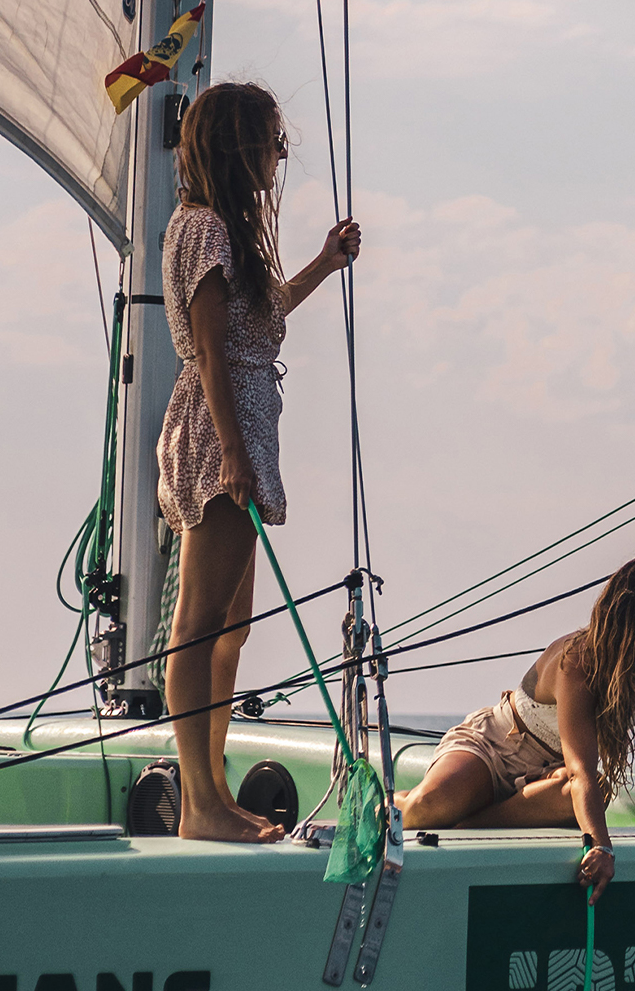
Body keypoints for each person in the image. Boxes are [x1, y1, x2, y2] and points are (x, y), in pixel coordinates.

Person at [159, 82, 359, 843]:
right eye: (273, 141)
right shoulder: (205, 229)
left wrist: (324, 265)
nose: (280, 154)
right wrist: (235, 457)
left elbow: (259, 320)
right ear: (239, 145)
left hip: (237, 429)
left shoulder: (216, 231)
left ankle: (211, 791)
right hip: (222, 435)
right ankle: (199, 805)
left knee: (231, 628)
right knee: (198, 625)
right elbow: (213, 351)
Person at [399, 555, 635, 901]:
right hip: (494, 747)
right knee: (428, 806)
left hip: (547, 775)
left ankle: (467, 827)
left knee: (597, 792)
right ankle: (389, 803)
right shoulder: (577, 661)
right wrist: (600, 847)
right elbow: (580, 771)